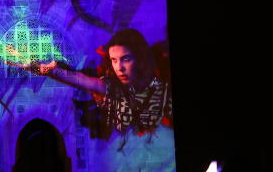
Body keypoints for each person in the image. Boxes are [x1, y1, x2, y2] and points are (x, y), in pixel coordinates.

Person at [10, 28, 171, 137]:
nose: (119, 67)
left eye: (125, 59)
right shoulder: (111, 87)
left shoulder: (160, 86)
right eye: (114, 60)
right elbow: (74, 78)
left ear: (139, 58)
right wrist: (37, 66)